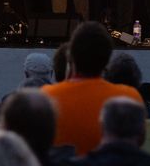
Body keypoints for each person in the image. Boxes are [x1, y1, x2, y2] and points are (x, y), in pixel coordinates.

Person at [41, 21, 144, 156]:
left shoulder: (45, 98)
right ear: (107, 59)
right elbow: (139, 143)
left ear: (71, 57)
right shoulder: (129, 98)